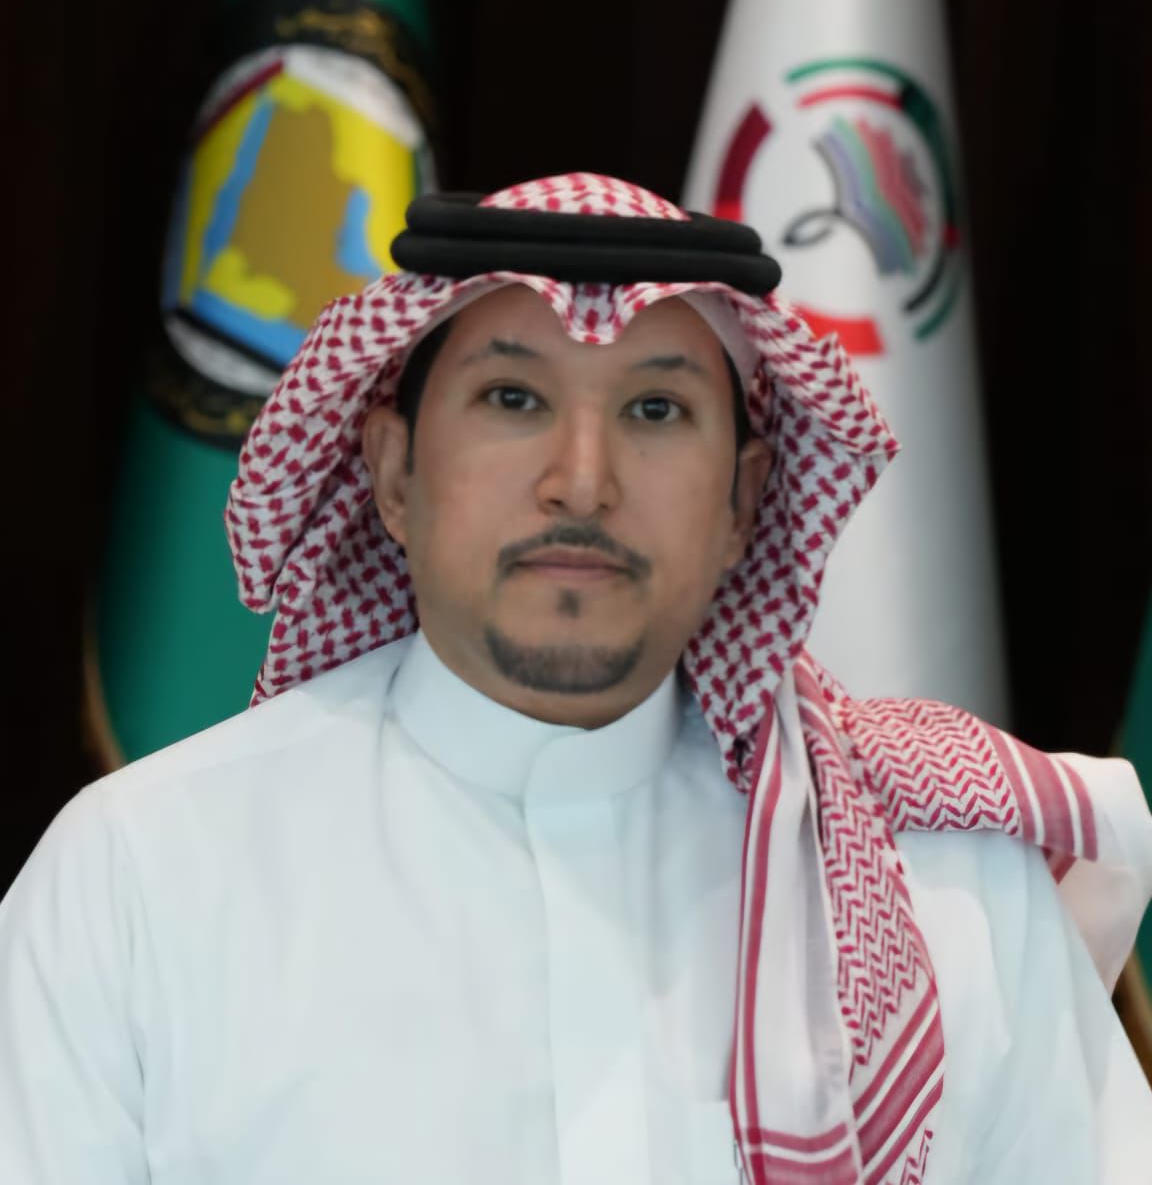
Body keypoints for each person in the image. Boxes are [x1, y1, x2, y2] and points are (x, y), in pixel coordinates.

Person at [2, 172, 1151, 1184]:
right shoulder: (144, 875)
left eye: (656, 409)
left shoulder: (943, 885)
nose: (583, 479)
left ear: (746, 500)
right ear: (394, 472)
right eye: (514, 398)